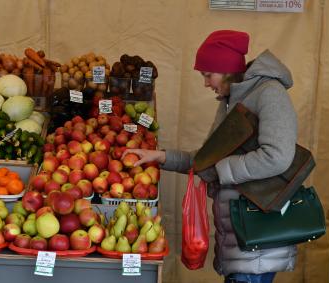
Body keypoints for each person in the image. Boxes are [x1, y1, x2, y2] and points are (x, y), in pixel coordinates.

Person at [123, 30, 298, 283]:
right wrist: (160, 157)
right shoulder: (231, 100)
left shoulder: (270, 94)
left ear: (226, 69)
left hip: (258, 233)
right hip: (240, 231)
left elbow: (278, 156)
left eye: (208, 74)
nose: (206, 83)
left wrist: (223, 169)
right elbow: (209, 159)